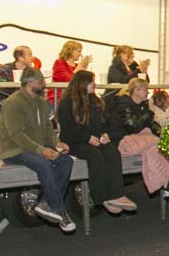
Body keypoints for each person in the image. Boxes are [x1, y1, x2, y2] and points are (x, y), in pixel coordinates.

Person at [0, 67, 75, 233]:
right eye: (41, 81)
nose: (44, 84)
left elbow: (47, 128)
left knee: (66, 161)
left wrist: (57, 144)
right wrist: (41, 150)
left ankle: (46, 203)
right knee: (44, 164)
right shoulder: (13, 103)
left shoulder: (40, 102)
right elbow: (16, 135)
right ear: (31, 82)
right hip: (14, 150)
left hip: (35, 147)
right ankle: (58, 209)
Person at [56, 70, 136, 215]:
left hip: (93, 138)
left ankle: (117, 194)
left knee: (112, 153)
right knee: (95, 156)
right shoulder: (67, 103)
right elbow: (68, 129)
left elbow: (101, 123)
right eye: (92, 81)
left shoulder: (95, 101)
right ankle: (101, 197)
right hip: (74, 141)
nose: (95, 84)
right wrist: (87, 138)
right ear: (83, 83)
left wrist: (104, 134)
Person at [109, 78, 169, 203]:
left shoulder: (142, 106)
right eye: (145, 89)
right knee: (155, 146)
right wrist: (150, 112)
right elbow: (134, 126)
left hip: (137, 138)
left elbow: (151, 125)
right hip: (121, 140)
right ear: (136, 90)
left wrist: (162, 133)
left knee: (162, 144)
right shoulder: (123, 105)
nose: (148, 93)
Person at [50, 40, 91, 106]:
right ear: (70, 50)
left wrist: (84, 69)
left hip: (74, 100)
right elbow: (69, 80)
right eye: (79, 51)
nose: (80, 54)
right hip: (59, 99)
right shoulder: (59, 63)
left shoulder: (77, 66)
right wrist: (79, 67)